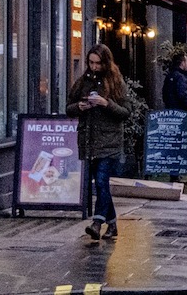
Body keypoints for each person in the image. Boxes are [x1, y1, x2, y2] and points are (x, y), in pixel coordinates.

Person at [68, 44, 136, 241]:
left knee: (100, 181)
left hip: (109, 141)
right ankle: (112, 224)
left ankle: (97, 224)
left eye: (98, 63)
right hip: (88, 140)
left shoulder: (115, 82)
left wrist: (107, 104)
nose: (94, 67)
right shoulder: (83, 82)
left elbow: (126, 112)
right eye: (91, 63)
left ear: (106, 63)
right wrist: (79, 106)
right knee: (101, 184)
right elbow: (68, 107)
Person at [161, 46, 187, 115]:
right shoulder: (181, 77)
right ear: (182, 63)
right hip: (181, 112)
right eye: (186, 62)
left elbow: (164, 94)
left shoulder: (169, 75)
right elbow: (183, 95)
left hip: (170, 111)